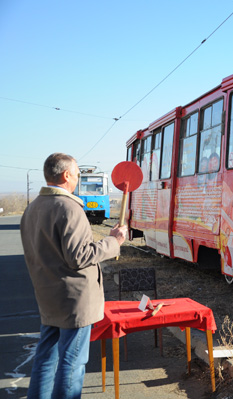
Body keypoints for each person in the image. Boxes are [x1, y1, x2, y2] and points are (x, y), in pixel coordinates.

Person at [20, 153, 128, 399]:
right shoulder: (69, 207)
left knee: (46, 358)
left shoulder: (32, 208)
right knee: (72, 363)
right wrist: (114, 241)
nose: (79, 178)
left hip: (48, 297)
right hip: (75, 301)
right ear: (66, 175)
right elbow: (79, 257)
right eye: (78, 174)